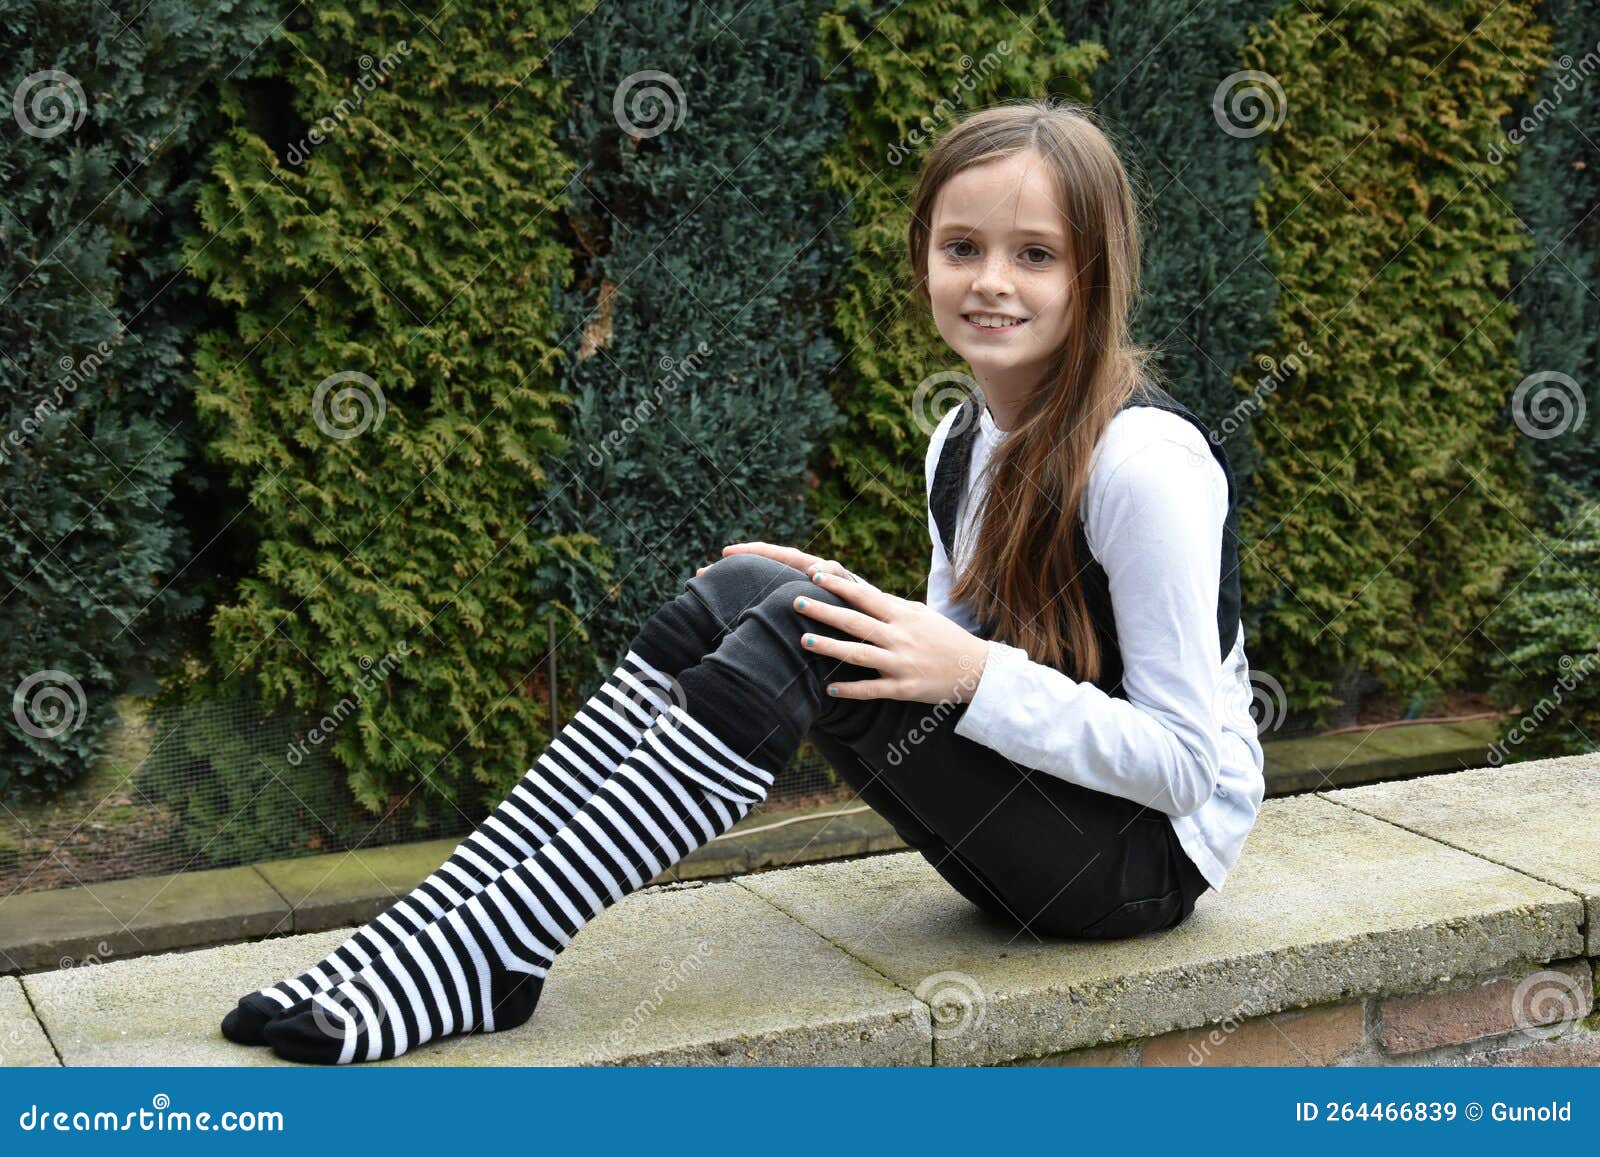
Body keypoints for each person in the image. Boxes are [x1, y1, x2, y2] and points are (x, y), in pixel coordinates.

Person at [219, 96, 1265, 1065]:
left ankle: (498, 953)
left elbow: (1182, 763)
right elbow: (962, 633)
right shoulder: (961, 434)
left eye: (1034, 255)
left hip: (1140, 865)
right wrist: (876, 608)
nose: (990, 280)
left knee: (801, 628)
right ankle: (431, 931)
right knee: (751, 586)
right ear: (923, 260)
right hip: (1044, 829)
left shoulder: (1145, 466)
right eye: (962, 247)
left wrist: (966, 667)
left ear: (1094, 275)